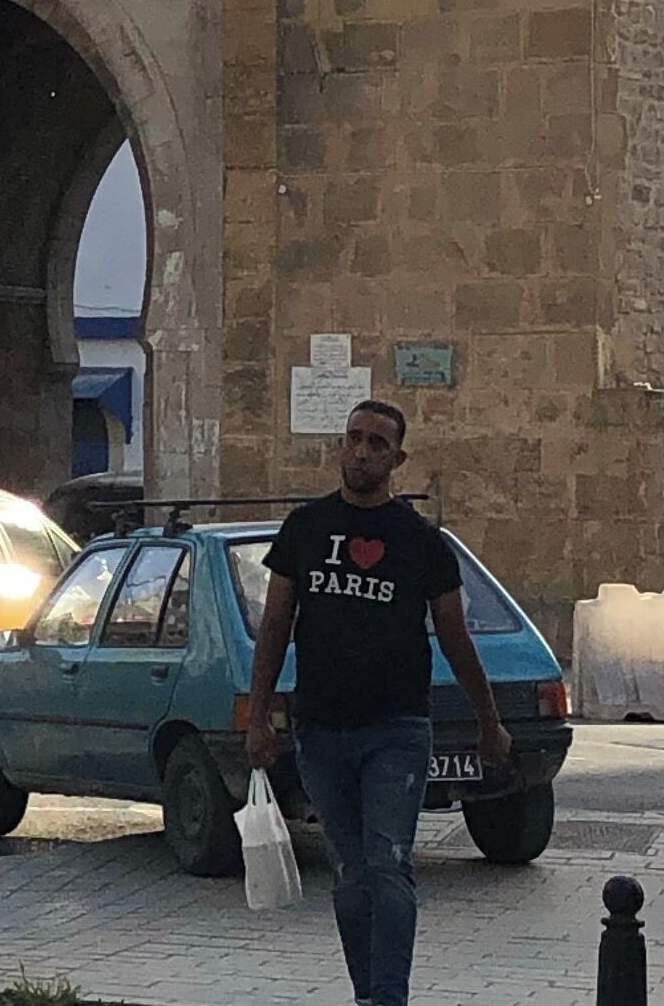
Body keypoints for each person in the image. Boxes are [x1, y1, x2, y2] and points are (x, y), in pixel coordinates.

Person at [247, 400, 512, 1006]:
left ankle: (389, 998)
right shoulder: (305, 529)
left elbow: (454, 635)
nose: (362, 452)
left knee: (389, 861)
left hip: (397, 728)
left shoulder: (421, 542)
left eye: (376, 444)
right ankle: (367, 992)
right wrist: (260, 717)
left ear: (398, 458)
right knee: (351, 869)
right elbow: (275, 624)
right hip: (320, 729)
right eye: (354, 439)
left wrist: (488, 722)